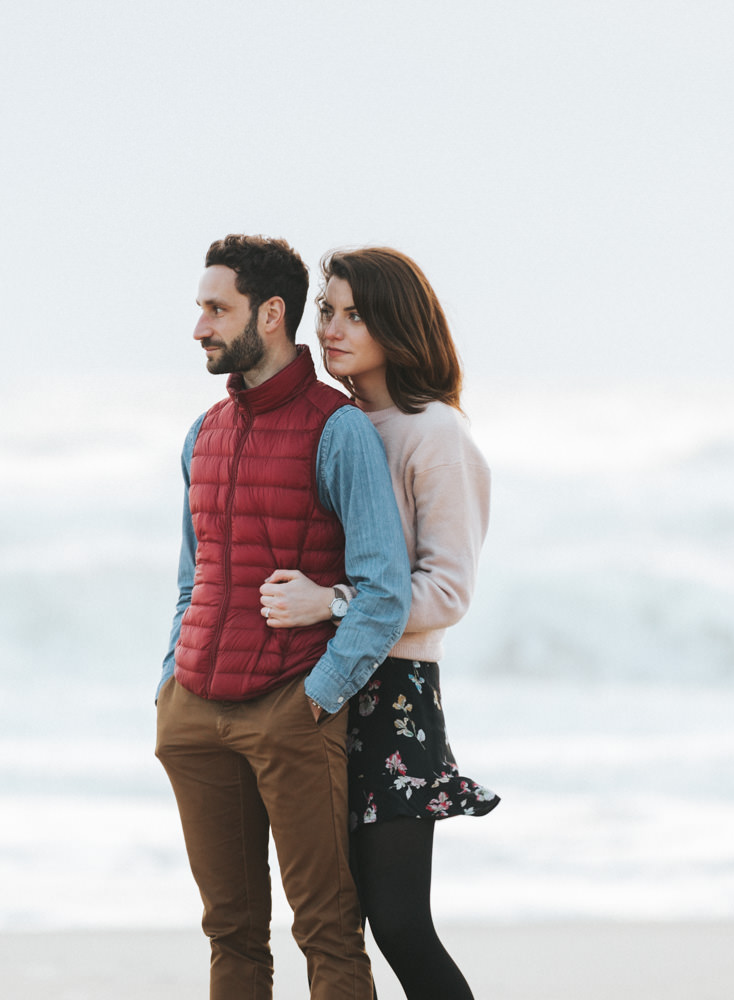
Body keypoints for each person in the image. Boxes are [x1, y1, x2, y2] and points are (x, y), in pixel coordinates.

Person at [155, 234, 412, 1000]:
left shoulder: (340, 432)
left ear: (270, 314)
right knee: (229, 933)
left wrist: (315, 701)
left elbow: (385, 591)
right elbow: (190, 578)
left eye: (214, 308)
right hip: (196, 714)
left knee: (327, 931)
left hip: (289, 708)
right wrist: (172, 680)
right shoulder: (203, 433)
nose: (199, 326)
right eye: (199, 308)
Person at [259, 246, 499, 1000]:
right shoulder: (340, 425)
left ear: (398, 324)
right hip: (321, 689)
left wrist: (332, 603)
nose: (331, 328)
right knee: (336, 919)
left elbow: (449, 592)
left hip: (394, 696)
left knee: (399, 921)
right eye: (327, 310)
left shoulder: (436, 436)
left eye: (355, 313)